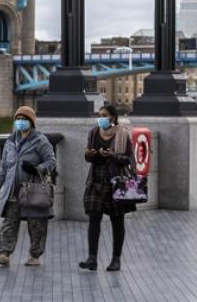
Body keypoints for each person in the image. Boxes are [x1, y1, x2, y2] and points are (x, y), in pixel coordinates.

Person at [0, 105, 56, 267]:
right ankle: (4, 253)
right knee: (9, 222)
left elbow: (51, 162)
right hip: (13, 189)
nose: (20, 123)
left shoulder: (40, 140)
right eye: (18, 119)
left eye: (24, 120)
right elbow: (4, 166)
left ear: (31, 122)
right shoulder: (10, 141)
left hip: (33, 189)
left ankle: (35, 255)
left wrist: (36, 169)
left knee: (36, 224)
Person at [79, 104, 135, 272]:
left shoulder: (123, 133)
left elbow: (129, 159)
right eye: (99, 114)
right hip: (96, 179)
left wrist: (113, 157)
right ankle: (92, 258)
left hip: (115, 180)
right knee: (93, 219)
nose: (101, 117)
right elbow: (88, 156)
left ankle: (116, 259)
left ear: (113, 117)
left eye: (105, 114)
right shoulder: (94, 132)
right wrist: (90, 154)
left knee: (117, 221)